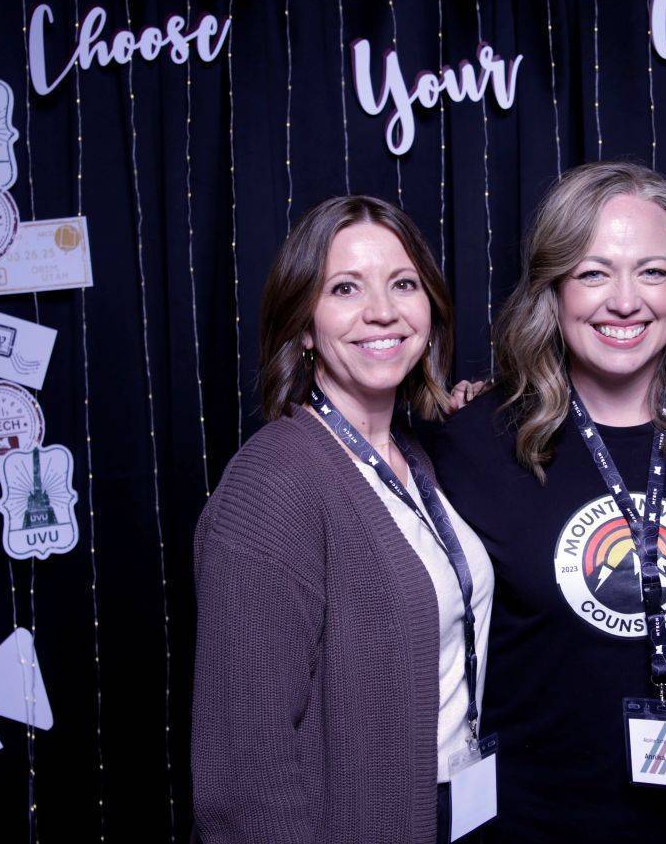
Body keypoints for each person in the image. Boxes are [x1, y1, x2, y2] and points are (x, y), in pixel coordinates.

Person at [425, 161, 666, 842]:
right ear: (553, 287)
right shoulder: (472, 442)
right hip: (533, 825)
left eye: (651, 272)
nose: (625, 300)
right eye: (593, 272)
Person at [191, 196, 494, 844]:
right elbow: (243, 778)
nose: (382, 310)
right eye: (345, 287)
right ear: (303, 323)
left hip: (450, 807)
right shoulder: (273, 484)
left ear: (430, 309)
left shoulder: (418, 458)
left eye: (403, 284)